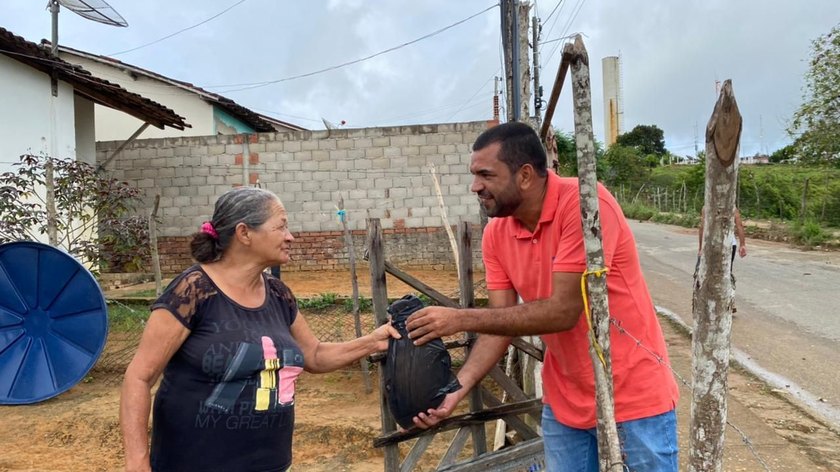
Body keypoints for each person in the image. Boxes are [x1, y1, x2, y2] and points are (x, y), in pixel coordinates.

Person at [405, 122, 679, 472]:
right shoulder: (497, 234)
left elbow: (563, 312)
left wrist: (459, 318)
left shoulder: (584, 206)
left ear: (524, 175)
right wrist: (455, 390)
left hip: (633, 398)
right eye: (474, 175)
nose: (475, 187)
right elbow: (498, 325)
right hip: (565, 405)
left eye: (486, 175)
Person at [121, 187, 399, 472]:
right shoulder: (193, 291)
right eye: (281, 227)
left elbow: (314, 355)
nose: (290, 237)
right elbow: (139, 377)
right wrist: (137, 462)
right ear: (244, 233)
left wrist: (373, 342)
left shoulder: (279, 294)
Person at [698, 206, 747, 312]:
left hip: (713, 245)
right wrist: (742, 244)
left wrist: (700, 247)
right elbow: (740, 226)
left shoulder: (707, 207)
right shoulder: (731, 206)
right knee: (726, 273)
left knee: (709, 273)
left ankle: (713, 302)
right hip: (728, 245)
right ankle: (729, 300)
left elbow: (702, 227)